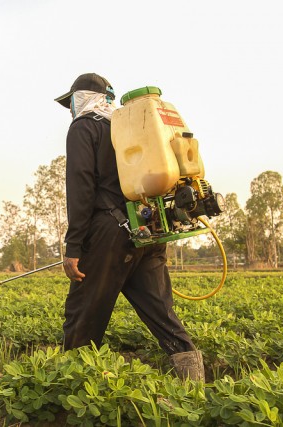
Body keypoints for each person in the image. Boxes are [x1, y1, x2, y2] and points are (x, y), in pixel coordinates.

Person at [54, 73, 205, 381]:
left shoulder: (85, 127)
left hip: (108, 235)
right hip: (148, 231)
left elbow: (81, 189)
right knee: (162, 314)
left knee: (82, 315)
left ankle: (70, 389)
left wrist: (74, 248)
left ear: (80, 99)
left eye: (70, 102)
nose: (70, 110)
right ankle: (195, 386)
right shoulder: (132, 130)